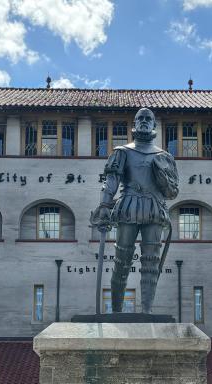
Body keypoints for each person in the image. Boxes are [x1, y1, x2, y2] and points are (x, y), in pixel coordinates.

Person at [92, 107, 179, 314]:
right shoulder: (123, 152)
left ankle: (147, 312)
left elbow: (173, 192)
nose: (144, 121)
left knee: (151, 263)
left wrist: (163, 178)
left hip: (154, 210)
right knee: (121, 261)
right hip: (129, 207)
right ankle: (116, 311)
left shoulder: (165, 157)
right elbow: (111, 180)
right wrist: (104, 205)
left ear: (154, 125)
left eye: (148, 118)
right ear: (134, 123)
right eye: (140, 118)